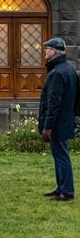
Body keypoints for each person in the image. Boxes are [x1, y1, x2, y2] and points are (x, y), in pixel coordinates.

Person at [39, 37, 76, 201]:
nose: (45, 51)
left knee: (61, 157)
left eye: (47, 49)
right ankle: (61, 188)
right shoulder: (69, 69)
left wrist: (47, 127)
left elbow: (53, 103)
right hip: (65, 119)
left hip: (58, 123)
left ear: (53, 51)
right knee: (60, 155)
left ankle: (66, 191)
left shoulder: (57, 73)